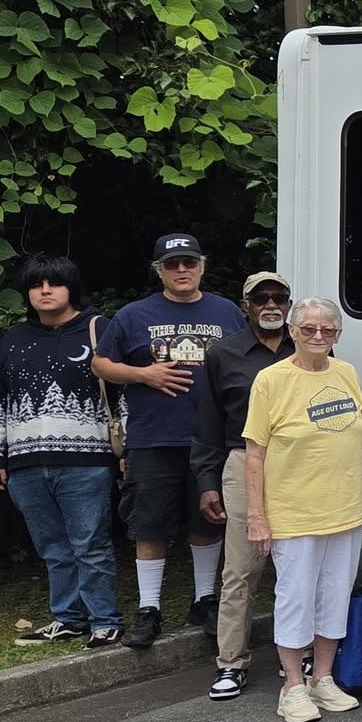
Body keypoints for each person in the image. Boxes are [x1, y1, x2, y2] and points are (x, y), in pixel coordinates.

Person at [93, 233, 245, 649]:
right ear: (159, 270)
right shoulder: (132, 314)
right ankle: (149, 609)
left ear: (202, 266)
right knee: (150, 524)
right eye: (172, 264)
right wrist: (145, 375)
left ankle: (204, 599)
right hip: (153, 437)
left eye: (189, 262)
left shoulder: (227, 311)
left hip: (212, 439)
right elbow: (101, 363)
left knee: (208, 520)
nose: (182, 270)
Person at [0, 254, 121, 648]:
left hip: (87, 461)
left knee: (90, 545)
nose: (45, 291)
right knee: (53, 548)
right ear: (27, 293)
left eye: (54, 284)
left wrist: (130, 450)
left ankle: (105, 620)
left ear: (70, 289)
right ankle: (68, 618)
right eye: (37, 285)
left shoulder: (99, 331)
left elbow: (122, 393)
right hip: (24, 465)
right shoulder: (14, 339)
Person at [242, 298, 362, 722]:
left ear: (337, 335)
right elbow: (254, 454)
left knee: (334, 597)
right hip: (294, 513)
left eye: (327, 330)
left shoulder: (347, 373)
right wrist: (257, 516)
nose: (318, 336)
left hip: (346, 511)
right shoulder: (270, 380)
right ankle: (292, 684)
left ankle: (323, 678)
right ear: (293, 331)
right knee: (295, 599)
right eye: (309, 328)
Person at [192, 272, 294, 699]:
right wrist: (206, 480)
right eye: (261, 298)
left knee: (297, 568)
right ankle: (231, 663)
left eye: (279, 297)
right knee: (241, 571)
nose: (271, 305)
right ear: (245, 304)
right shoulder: (223, 353)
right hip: (239, 461)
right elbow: (208, 421)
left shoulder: (306, 347)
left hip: (296, 466)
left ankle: (302, 658)